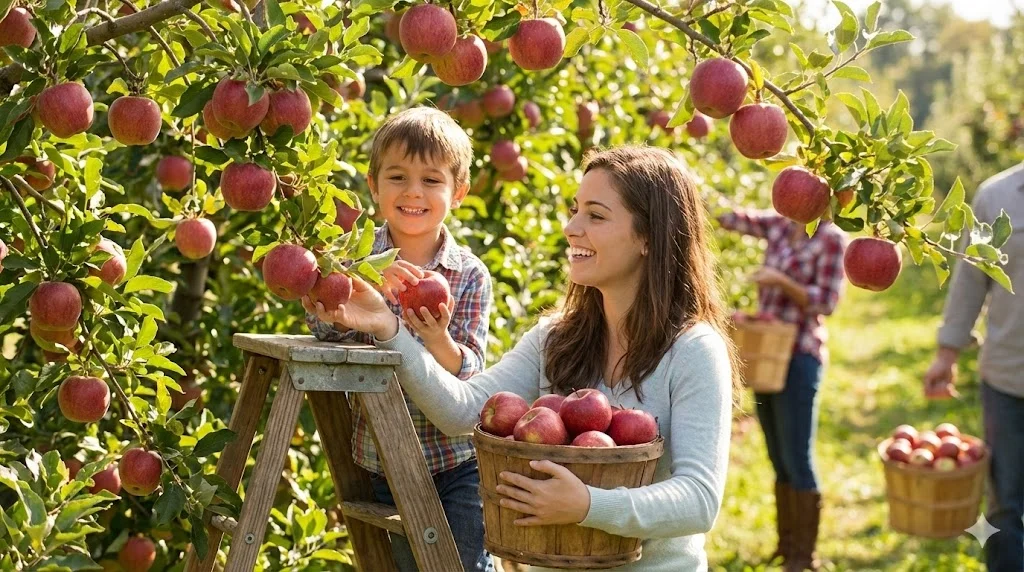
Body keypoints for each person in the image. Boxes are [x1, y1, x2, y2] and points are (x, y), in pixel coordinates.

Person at [306, 145, 738, 572]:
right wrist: (389, 328)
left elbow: (699, 499)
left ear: (647, 237)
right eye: (575, 210)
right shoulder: (557, 338)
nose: (572, 228)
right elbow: (461, 411)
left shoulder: (693, 351)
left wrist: (588, 505)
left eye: (596, 215)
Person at [305, 107, 494, 572]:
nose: (413, 192)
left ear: (459, 192)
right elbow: (326, 330)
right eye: (397, 177)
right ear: (373, 185)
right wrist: (353, 280)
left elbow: (468, 371)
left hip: (457, 462)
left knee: (464, 566)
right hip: (385, 458)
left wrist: (436, 340)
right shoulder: (353, 257)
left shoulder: (468, 274)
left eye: (431, 180)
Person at [717, 207, 847, 571]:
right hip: (765, 354)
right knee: (777, 456)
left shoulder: (832, 239)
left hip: (799, 356)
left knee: (797, 457)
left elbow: (827, 302)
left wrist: (781, 281)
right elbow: (738, 219)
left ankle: (804, 556)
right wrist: (701, 199)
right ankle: (786, 546)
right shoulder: (781, 224)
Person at [923, 164, 1024, 572]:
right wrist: (947, 353)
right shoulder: (997, 196)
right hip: (1007, 377)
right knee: (1005, 504)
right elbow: (970, 279)